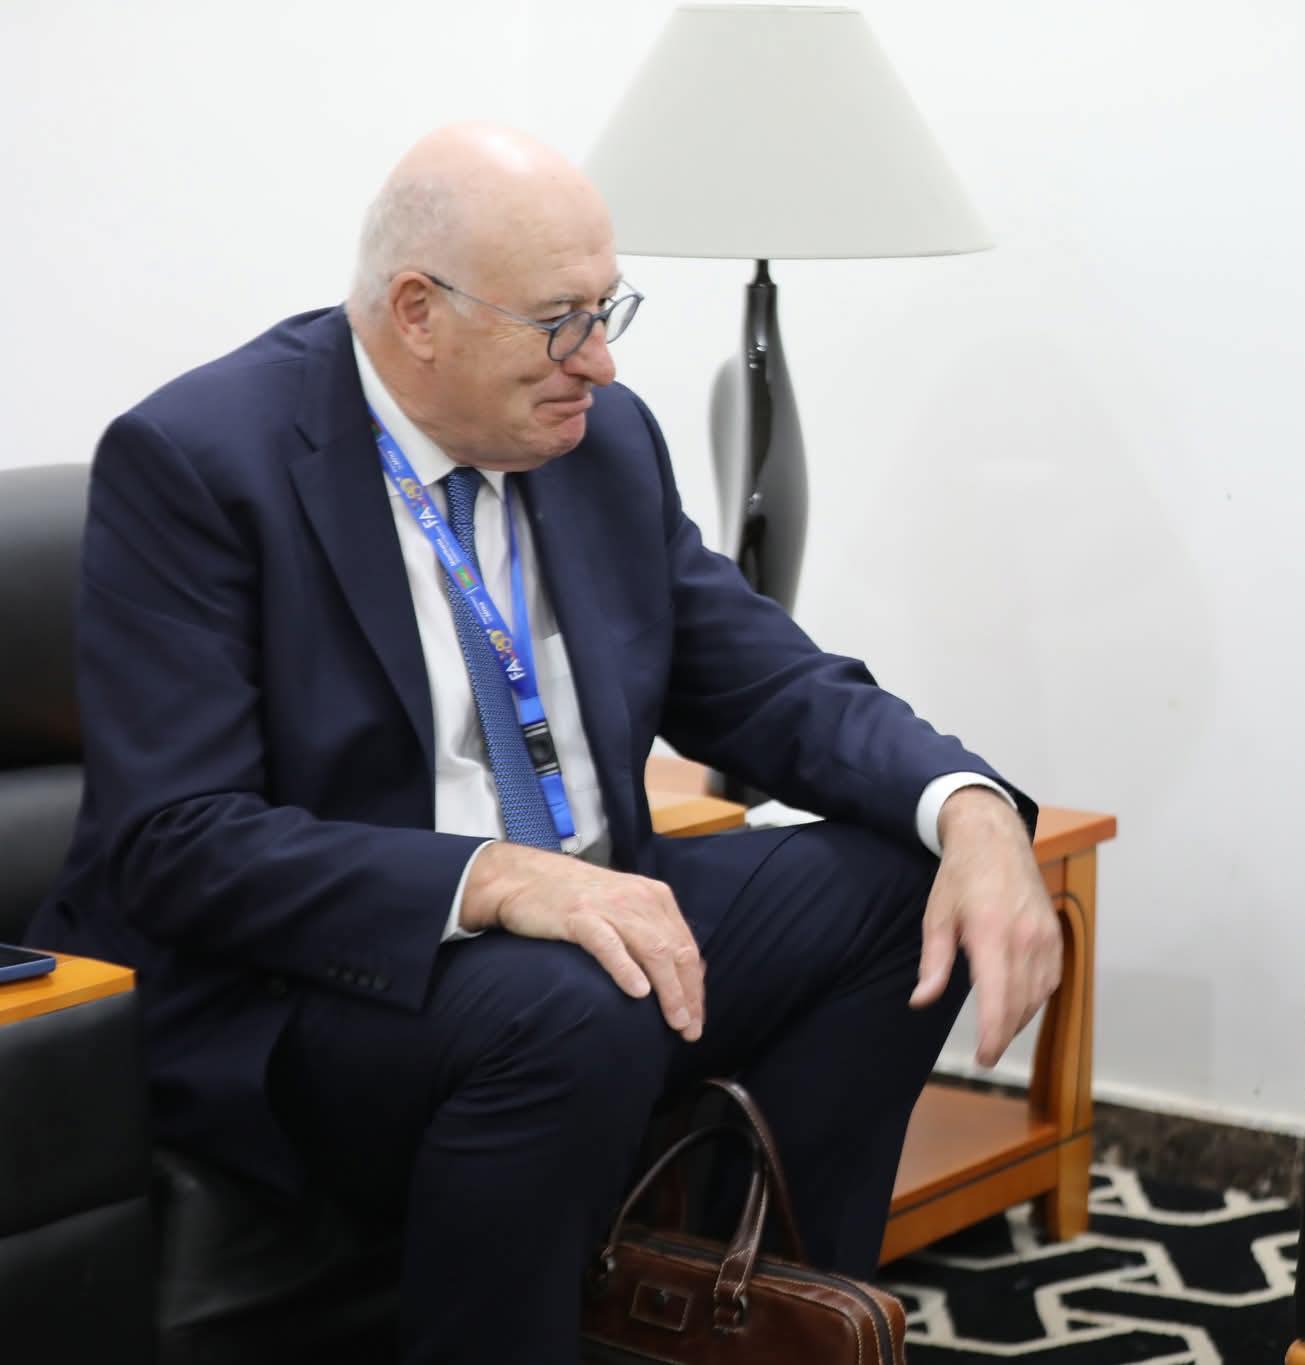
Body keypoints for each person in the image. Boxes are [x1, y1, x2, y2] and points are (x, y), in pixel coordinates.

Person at [29, 123, 1063, 1364]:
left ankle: (749, 1323)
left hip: (583, 912)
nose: (602, 363)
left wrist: (971, 808)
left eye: (607, 310)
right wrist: (498, 879)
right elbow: (176, 842)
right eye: (562, 322)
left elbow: (771, 683)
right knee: (571, 1004)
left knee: (898, 885)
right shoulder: (202, 462)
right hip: (317, 978)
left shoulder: (596, 442)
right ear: (418, 312)